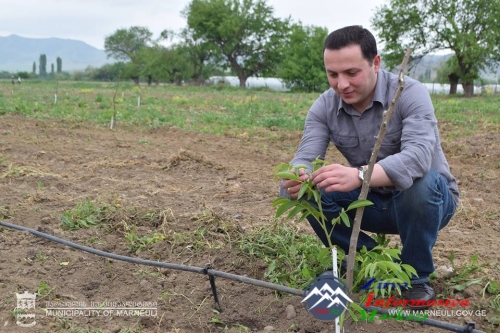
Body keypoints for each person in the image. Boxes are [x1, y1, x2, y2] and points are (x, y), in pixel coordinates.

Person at [280, 25, 459, 306]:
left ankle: (415, 276)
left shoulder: (410, 93)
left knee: (420, 183)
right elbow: (305, 156)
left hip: (427, 204)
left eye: (352, 73)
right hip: (369, 204)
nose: (342, 84)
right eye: (333, 74)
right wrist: (297, 175)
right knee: (299, 191)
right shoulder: (324, 106)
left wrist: (360, 175)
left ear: (376, 62)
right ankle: (370, 259)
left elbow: (418, 158)